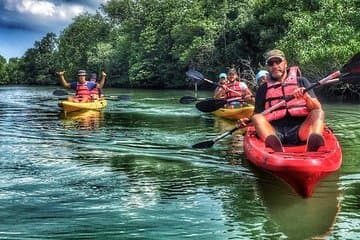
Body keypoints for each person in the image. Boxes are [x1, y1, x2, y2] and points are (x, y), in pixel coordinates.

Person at [238, 49, 324, 152]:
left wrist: (305, 96)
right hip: (274, 132)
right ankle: (274, 147)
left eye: (278, 62)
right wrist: (247, 122)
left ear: (285, 63)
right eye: (271, 64)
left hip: (301, 130)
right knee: (257, 118)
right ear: (267, 67)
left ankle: (313, 144)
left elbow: (317, 108)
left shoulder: (302, 82)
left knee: (318, 113)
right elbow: (257, 115)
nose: (274, 66)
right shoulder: (263, 89)